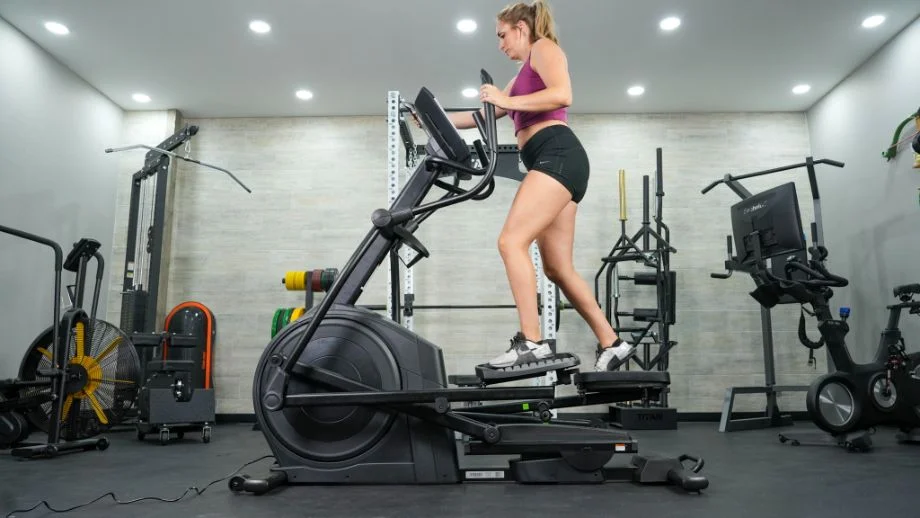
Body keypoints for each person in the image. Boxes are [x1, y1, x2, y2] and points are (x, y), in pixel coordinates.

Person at [447, 0, 635, 372]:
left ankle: (531, 342)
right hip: (555, 160)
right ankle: (613, 343)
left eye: (502, 35)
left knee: (511, 241)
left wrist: (505, 98)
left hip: (557, 153)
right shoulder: (519, 78)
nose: (500, 44)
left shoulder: (544, 48)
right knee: (558, 268)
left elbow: (563, 94)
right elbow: (483, 115)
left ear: (521, 27)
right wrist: (433, 117)